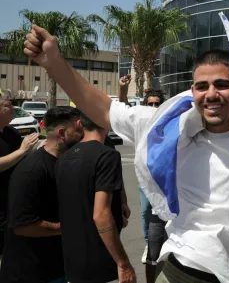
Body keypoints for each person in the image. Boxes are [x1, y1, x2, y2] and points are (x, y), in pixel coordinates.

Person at [23, 27, 229, 283]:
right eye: (202, 86)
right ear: (192, 91)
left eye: (222, 84)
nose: (211, 94)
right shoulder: (164, 128)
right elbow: (104, 110)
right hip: (182, 268)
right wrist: (54, 62)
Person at [0, 106, 82, 283]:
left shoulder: (67, 163)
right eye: (78, 130)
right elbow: (23, 225)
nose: (83, 134)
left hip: (58, 268)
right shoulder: (32, 171)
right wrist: (70, 227)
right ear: (61, 133)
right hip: (31, 274)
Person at [55, 112, 134, 283]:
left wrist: (120, 203)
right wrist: (123, 263)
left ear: (79, 124)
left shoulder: (64, 158)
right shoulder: (107, 155)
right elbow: (101, 215)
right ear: (107, 123)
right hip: (99, 261)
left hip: (73, 259)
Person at [119, 74, 166, 271]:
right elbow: (123, 107)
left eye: (157, 104)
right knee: (146, 212)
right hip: (144, 178)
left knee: (167, 214)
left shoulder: (167, 120)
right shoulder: (140, 121)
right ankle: (150, 244)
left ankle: (165, 246)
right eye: (150, 104)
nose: (153, 108)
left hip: (165, 178)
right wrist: (123, 88)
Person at [0, 99, 39, 256]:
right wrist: (22, 151)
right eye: (7, 105)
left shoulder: (11, 132)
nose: (13, 108)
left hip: (13, 200)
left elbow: (23, 156)